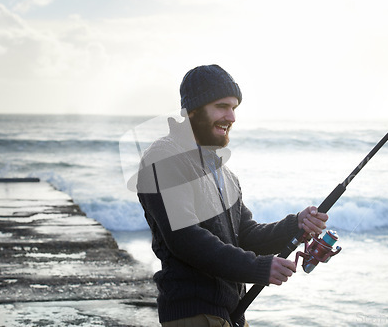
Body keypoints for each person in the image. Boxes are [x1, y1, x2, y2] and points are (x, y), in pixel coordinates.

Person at [136, 64, 328, 327]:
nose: (232, 117)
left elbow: (245, 235)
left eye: (234, 108)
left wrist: (295, 225)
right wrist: (258, 268)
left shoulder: (223, 172)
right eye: (222, 106)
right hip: (193, 315)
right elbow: (184, 237)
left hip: (231, 315)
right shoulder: (164, 156)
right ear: (193, 109)